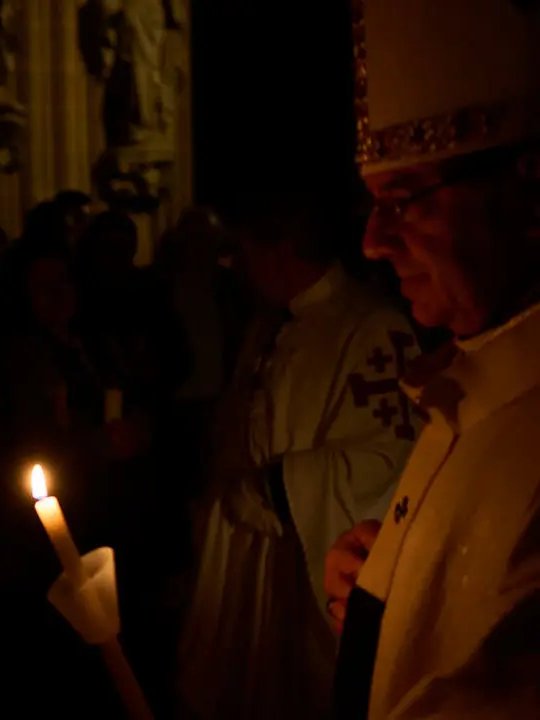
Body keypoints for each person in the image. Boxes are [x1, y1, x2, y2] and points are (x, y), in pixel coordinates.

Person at [326, 1, 540, 716]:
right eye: (372, 205)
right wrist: (390, 583)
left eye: (407, 198)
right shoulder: (470, 384)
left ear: (528, 192)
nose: (372, 241)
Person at [177, 187, 420, 718]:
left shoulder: (370, 326)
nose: (236, 268)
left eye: (244, 253)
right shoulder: (269, 324)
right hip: (248, 556)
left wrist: (281, 485)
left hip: (303, 552)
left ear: (282, 248)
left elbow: (393, 457)